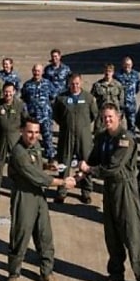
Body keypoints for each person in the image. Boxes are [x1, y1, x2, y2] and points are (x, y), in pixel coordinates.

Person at [78, 104, 140, 281]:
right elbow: (93, 159)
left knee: (132, 234)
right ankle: (116, 275)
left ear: (118, 117)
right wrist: (81, 170)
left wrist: (89, 170)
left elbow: (112, 167)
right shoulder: (102, 137)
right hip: (109, 189)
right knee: (112, 234)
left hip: (124, 188)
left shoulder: (125, 139)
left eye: (110, 116)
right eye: (104, 117)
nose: (107, 120)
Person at [3, 118, 77, 281]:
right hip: (24, 196)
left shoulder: (35, 146)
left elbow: (35, 166)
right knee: (20, 236)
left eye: (36, 132)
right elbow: (35, 176)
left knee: (45, 235)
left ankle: (46, 272)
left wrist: (47, 165)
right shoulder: (19, 152)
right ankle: (14, 273)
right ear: (22, 131)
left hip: (39, 197)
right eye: (30, 132)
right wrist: (61, 182)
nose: (33, 135)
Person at [52, 73, 98, 204]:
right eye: (72, 84)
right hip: (66, 135)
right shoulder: (61, 98)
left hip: (84, 136)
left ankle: (86, 191)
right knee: (64, 163)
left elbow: (93, 115)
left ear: (81, 83)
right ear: (68, 84)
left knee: (85, 163)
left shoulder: (88, 98)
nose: (75, 86)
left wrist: (81, 126)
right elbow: (57, 115)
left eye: (77, 83)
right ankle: (62, 191)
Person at [0, 82, 29, 201]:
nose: (8, 94)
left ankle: (21, 189)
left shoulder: (20, 105)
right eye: (6, 91)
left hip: (15, 139)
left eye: (10, 91)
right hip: (0, 140)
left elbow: (25, 120)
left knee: (19, 165)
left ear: (14, 92)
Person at [21, 64, 55, 160]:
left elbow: (53, 97)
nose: (36, 73)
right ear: (32, 71)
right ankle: (31, 157)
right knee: (31, 138)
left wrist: (49, 110)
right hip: (32, 117)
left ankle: (50, 158)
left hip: (45, 117)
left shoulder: (47, 83)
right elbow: (23, 99)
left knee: (47, 138)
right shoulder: (27, 85)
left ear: (42, 72)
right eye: (35, 71)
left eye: (38, 71)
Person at [90, 63, 124, 132]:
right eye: (106, 71)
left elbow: (121, 101)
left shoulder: (118, 85)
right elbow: (91, 100)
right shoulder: (97, 85)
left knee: (116, 134)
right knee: (99, 134)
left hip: (114, 114)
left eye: (109, 71)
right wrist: (94, 113)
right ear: (103, 71)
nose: (107, 73)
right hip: (101, 115)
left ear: (113, 72)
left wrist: (120, 114)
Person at [114, 56, 140, 132]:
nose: (127, 66)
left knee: (132, 125)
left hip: (131, 104)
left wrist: (131, 95)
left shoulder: (136, 75)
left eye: (129, 64)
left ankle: (132, 141)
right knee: (118, 124)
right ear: (122, 65)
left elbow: (138, 86)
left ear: (132, 65)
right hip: (120, 104)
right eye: (125, 64)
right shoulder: (117, 75)